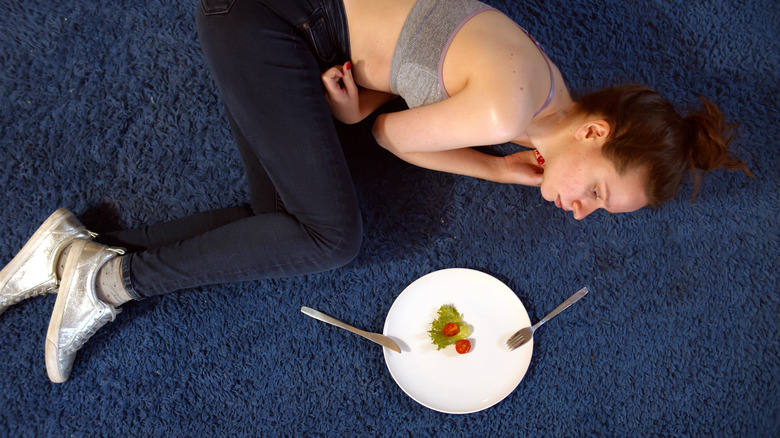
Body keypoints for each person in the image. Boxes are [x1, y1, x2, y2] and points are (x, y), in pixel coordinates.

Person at [0, 0, 751, 382]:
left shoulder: (544, 93)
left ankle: (70, 251)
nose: (581, 211)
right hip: (276, 24)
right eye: (599, 194)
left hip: (292, 26)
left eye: (594, 211)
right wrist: (367, 118)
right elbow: (389, 137)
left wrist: (503, 164)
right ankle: (113, 280)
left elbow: (422, 121)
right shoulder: (508, 110)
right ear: (595, 135)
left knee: (282, 225)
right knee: (331, 237)